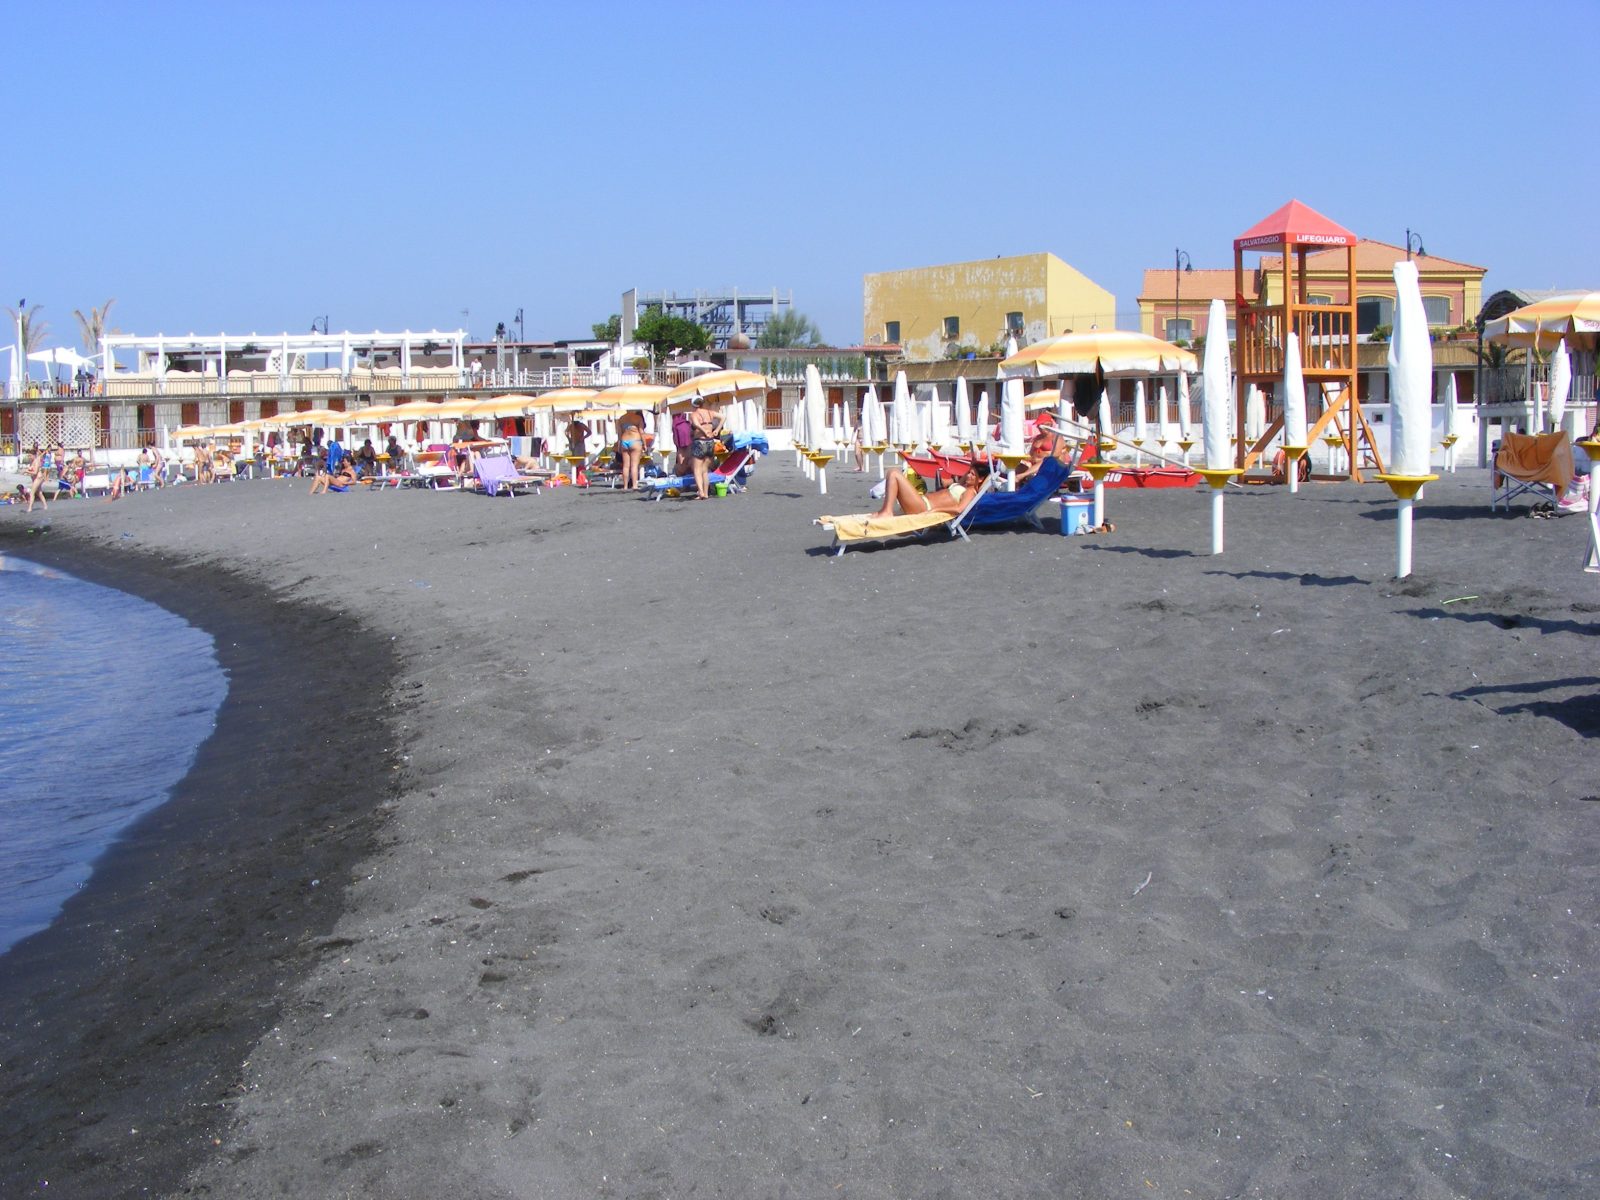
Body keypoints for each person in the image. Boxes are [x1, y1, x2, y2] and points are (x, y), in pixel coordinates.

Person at [874, 463, 987, 519]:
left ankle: (887, 511)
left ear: (980, 479)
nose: (969, 476)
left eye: (973, 474)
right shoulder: (964, 485)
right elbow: (967, 473)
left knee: (894, 473)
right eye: (969, 473)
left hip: (924, 507)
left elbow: (959, 509)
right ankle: (885, 510)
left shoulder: (970, 492)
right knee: (894, 475)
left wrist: (936, 510)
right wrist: (973, 466)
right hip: (921, 501)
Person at [687, 397, 725, 500]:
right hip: (710, 442)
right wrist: (716, 430)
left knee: (697, 469)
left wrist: (703, 431)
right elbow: (723, 417)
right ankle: (706, 493)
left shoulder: (694, 414)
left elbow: (696, 424)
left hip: (700, 441)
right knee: (705, 470)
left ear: (693, 405)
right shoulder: (709, 412)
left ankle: (701, 492)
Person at [616, 410, 646, 490]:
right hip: (635, 441)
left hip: (624, 441)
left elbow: (619, 433)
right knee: (634, 466)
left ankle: (625, 486)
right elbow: (641, 432)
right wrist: (644, 444)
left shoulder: (621, 419)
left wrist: (619, 445)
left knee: (626, 466)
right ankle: (634, 485)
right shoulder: (638, 418)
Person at [23, 443, 49, 513]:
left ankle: (30, 508)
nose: (29, 457)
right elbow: (32, 470)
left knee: (32, 493)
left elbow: (35, 472)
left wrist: (27, 471)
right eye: (29, 456)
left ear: (34, 455)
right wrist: (27, 471)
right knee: (39, 493)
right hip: (35, 478)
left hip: (39, 478)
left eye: (30, 456)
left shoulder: (37, 461)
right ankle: (45, 506)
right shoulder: (32, 461)